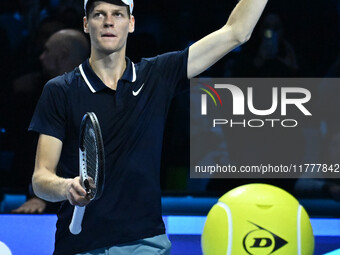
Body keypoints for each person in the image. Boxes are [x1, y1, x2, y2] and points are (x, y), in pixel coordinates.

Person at [29, 0, 268, 254]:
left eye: (118, 14)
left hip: (145, 243)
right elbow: (41, 178)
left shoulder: (157, 76)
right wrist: (67, 188)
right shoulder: (60, 90)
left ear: (131, 24)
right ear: (86, 24)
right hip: (78, 245)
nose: (109, 21)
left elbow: (237, 32)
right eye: (99, 14)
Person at [11, 29, 90, 214]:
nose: (41, 57)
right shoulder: (46, 91)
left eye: (47, 51)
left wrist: (43, 198)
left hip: (73, 207)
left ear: (62, 54)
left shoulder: (88, 97)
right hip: (47, 196)